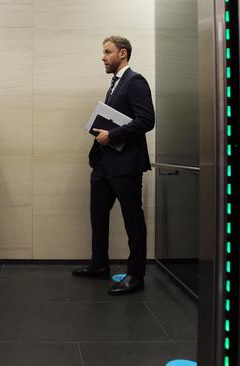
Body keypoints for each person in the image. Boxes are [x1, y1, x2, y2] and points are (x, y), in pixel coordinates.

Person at [72, 36, 155, 296]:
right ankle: (99, 265)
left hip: (126, 165)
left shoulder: (135, 81)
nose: (103, 57)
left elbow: (147, 120)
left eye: (107, 52)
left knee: (133, 221)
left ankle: (135, 275)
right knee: (97, 217)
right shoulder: (115, 84)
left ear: (122, 53)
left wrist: (113, 135)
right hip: (104, 164)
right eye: (103, 52)